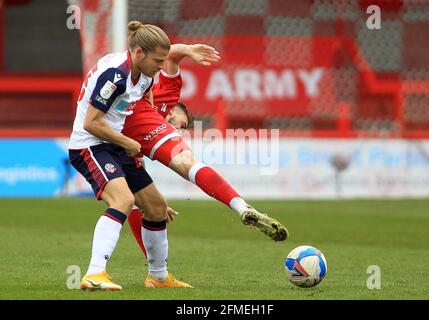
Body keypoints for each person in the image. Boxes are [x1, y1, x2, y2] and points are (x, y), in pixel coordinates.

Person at [122, 43, 289, 258]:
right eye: (183, 125)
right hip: (113, 136)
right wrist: (189, 50)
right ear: (174, 111)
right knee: (181, 170)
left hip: (122, 139)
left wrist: (151, 200)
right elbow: (170, 56)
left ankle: (242, 208)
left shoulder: (152, 103)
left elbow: (138, 167)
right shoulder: (168, 93)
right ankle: (240, 205)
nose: (180, 131)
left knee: (134, 200)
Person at [68, 21, 191, 291]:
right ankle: (94, 274)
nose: (162, 66)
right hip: (90, 145)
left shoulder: (145, 74)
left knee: (156, 208)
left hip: (117, 145)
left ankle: (158, 277)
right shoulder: (115, 75)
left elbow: (141, 104)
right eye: (158, 60)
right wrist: (129, 142)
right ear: (138, 53)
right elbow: (91, 122)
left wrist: (139, 139)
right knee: (123, 199)